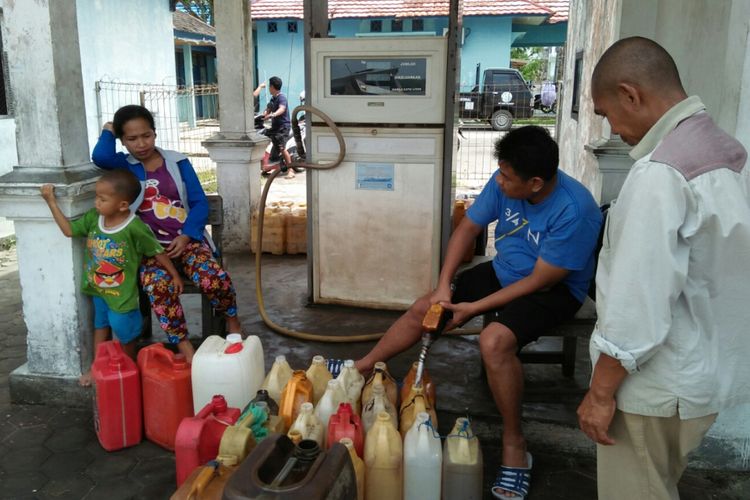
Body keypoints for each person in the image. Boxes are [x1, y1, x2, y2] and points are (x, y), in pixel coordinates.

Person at [354, 126, 603, 499]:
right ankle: (361, 367)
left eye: (507, 178)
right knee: (427, 307)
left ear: (535, 183)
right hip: (505, 271)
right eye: (499, 173)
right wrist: (444, 286)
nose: (499, 182)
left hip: (553, 290)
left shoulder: (575, 209)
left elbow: (540, 281)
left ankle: (515, 447)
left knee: (494, 341)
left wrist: (472, 309)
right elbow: (468, 227)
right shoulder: (507, 180)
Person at [577, 36, 750, 500]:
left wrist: (599, 393)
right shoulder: (722, 154)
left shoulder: (660, 173)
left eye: (607, 112)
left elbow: (638, 304)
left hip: (654, 387)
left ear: (631, 94)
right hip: (702, 378)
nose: (613, 129)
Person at [92, 105, 243, 363]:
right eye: (131, 138)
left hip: (186, 242)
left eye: (146, 135)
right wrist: (108, 130)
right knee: (157, 286)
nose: (141, 144)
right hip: (150, 251)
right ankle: (185, 347)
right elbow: (100, 156)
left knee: (212, 277)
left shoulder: (177, 162)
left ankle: (232, 322)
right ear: (122, 140)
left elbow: (198, 203)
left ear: (155, 133)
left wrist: (186, 236)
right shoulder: (124, 166)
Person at [41, 170, 184, 385]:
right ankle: (97, 368)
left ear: (123, 205)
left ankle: (128, 370)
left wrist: (174, 275)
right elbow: (69, 230)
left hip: (122, 295)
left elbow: (156, 251)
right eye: (96, 197)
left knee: (125, 334)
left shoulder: (134, 227)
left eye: (102, 199)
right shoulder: (93, 219)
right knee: (101, 327)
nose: (96, 203)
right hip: (98, 289)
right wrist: (51, 201)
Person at [261, 76, 294, 179]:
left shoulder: (281, 97)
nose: (269, 88)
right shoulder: (273, 99)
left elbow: (282, 109)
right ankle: (266, 166)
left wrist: (273, 115)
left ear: (272, 87)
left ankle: (290, 170)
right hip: (275, 127)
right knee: (261, 140)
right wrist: (264, 115)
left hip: (283, 127)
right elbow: (267, 110)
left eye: (269, 86)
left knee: (281, 147)